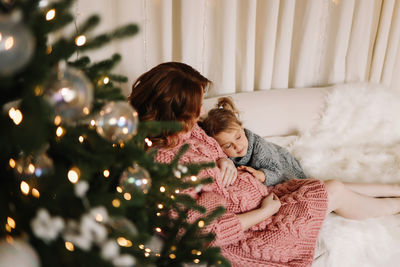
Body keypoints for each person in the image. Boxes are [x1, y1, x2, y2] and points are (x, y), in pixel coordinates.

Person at [128, 62, 400, 266]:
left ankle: (394, 189)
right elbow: (205, 234)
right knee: (328, 191)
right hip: (253, 234)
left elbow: (210, 153)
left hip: (261, 199)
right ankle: (395, 203)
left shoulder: (186, 130)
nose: (201, 110)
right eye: (196, 105)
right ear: (175, 112)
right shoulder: (164, 167)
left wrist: (225, 161)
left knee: (330, 187)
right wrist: (263, 212)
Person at [200, 96, 306, 186]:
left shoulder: (259, 148)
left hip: (282, 164)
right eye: (228, 146)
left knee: (298, 187)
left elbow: (278, 172)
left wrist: (260, 174)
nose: (237, 146)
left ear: (241, 128)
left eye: (238, 137)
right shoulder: (220, 154)